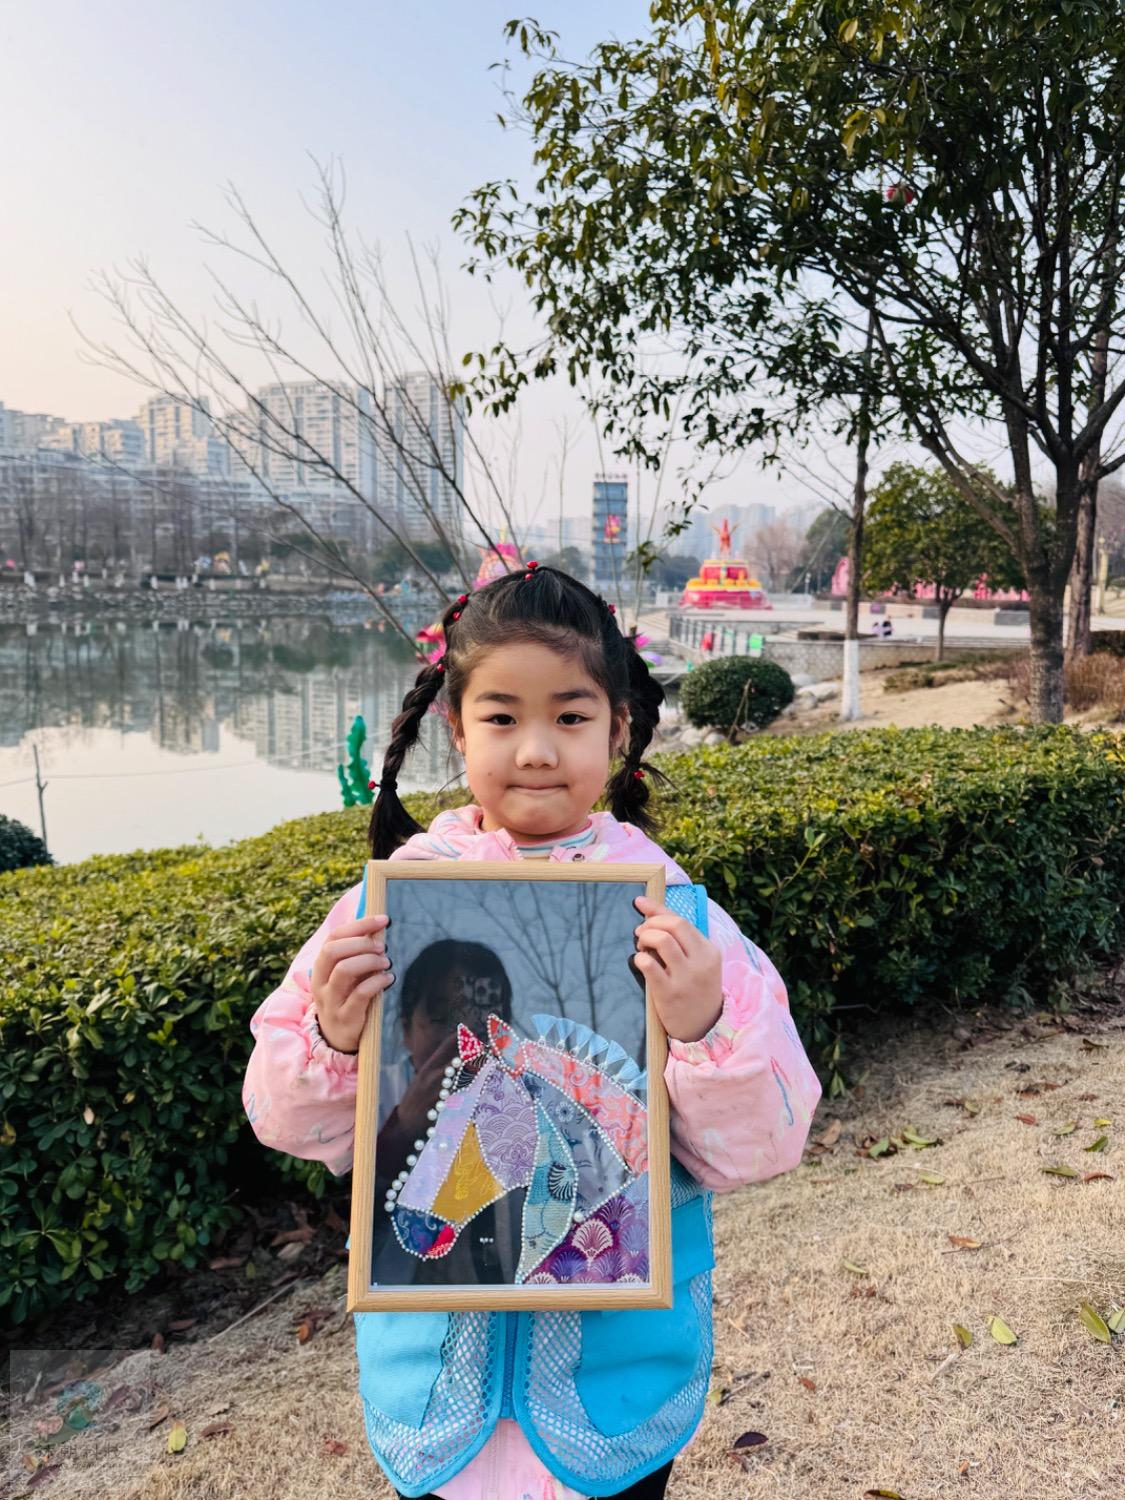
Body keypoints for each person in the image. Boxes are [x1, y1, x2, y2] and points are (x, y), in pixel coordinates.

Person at [242, 564, 821, 1500]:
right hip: (434, 1400)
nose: (537, 750)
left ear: (618, 729)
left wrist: (704, 1028)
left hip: (614, 1402)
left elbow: (763, 1144)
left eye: (571, 715)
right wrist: (333, 1038)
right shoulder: (384, 913)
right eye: (502, 717)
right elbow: (285, 1122)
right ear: (456, 726)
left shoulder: (680, 923)